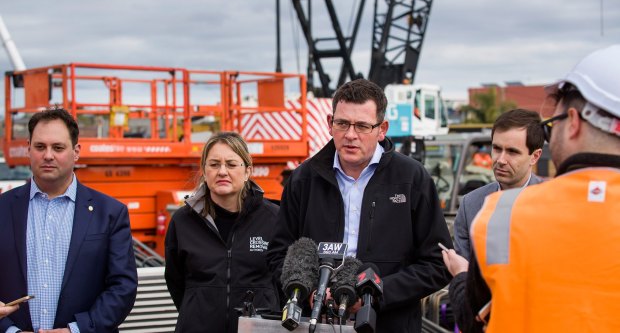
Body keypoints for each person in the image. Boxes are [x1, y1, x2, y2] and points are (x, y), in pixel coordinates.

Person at [266, 78, 453, 333]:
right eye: (342, 123)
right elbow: (279, 253)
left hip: (389, 325)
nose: (350, 135)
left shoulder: (412, 179)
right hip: (317, 323)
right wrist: (307, 290)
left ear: (382, 128)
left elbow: (437, 264)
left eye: (362, 126)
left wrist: (375, 293)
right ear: (329, 123)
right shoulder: (303, 180)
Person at [467, 45, 620, 332]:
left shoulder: (502, 214)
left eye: (554, 124)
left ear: (573, 122)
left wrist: (460, 276)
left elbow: (472, 318)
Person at [0, 108, 138, 333]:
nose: (48, 155)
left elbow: (122, 287)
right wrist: (9, 330)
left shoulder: (110, 213)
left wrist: (76, 330)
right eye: (40, 147)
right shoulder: (3, 209)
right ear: (28, 149)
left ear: (76, 152)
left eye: (58, 147)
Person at [165, 132, 280, 333]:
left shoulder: (273, 219)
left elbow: (283, 283)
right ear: (204, 170)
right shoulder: (183, 221)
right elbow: (176, 281)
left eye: (232, 164)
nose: (222, 171)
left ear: (247, 172)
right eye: (214, 164)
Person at [454, 109, 545, 260]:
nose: (501, 160)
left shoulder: (555, 204)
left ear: (535, 157)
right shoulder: (470, 205)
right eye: (496, 149)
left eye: (512, 152)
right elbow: (463, 274)